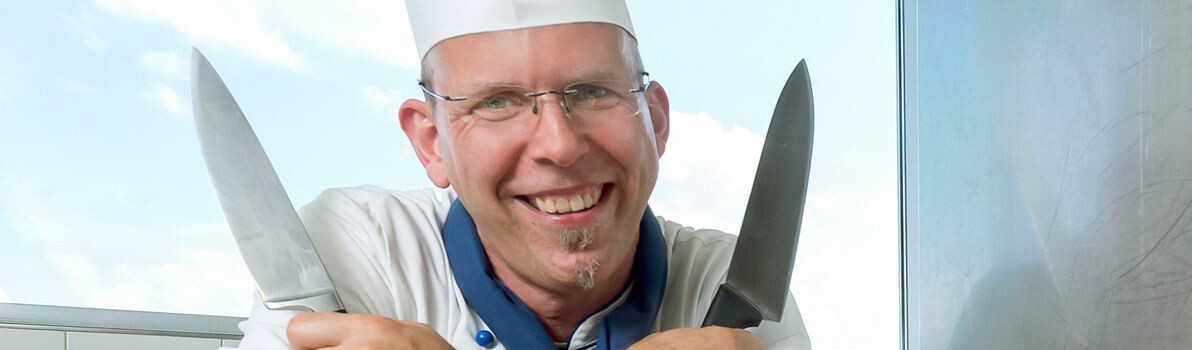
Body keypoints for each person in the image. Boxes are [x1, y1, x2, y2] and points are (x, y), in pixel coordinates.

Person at [225, 0, 807, 349]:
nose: (559, 146)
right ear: (431, 143)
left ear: (654, 122)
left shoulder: (730, 291)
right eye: (496, 102)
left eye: (592, 91)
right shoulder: (349, 251)